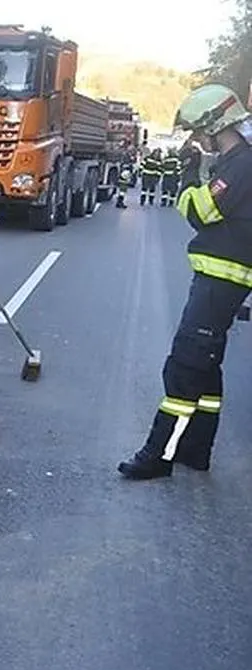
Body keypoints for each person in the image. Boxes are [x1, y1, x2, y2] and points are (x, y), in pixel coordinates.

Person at [118, 83, 252, 479]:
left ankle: (159, 454)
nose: (196, 138)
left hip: (221, 280)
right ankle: (196, 449)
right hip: (221, 278)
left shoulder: (240, 164)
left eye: (198, 130)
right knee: (207, 366)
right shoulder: (236, 162)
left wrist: (191, 175)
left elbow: (200, 212)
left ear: (215, 123)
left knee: (185, 365)